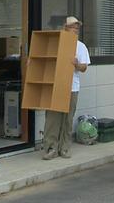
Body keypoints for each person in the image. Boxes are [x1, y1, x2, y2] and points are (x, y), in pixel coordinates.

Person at [42, 16, 91, 160]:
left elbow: (84, 67)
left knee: (68, 119)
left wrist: (76, 64)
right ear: (65, 28)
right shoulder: (56, 43)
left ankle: (64, 148)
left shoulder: (81, 46)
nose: (75, 30)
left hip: (72, 87)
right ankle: (51, 148)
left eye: (77, 28)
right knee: (52, 119)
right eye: (73, 27)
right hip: (56, 85)